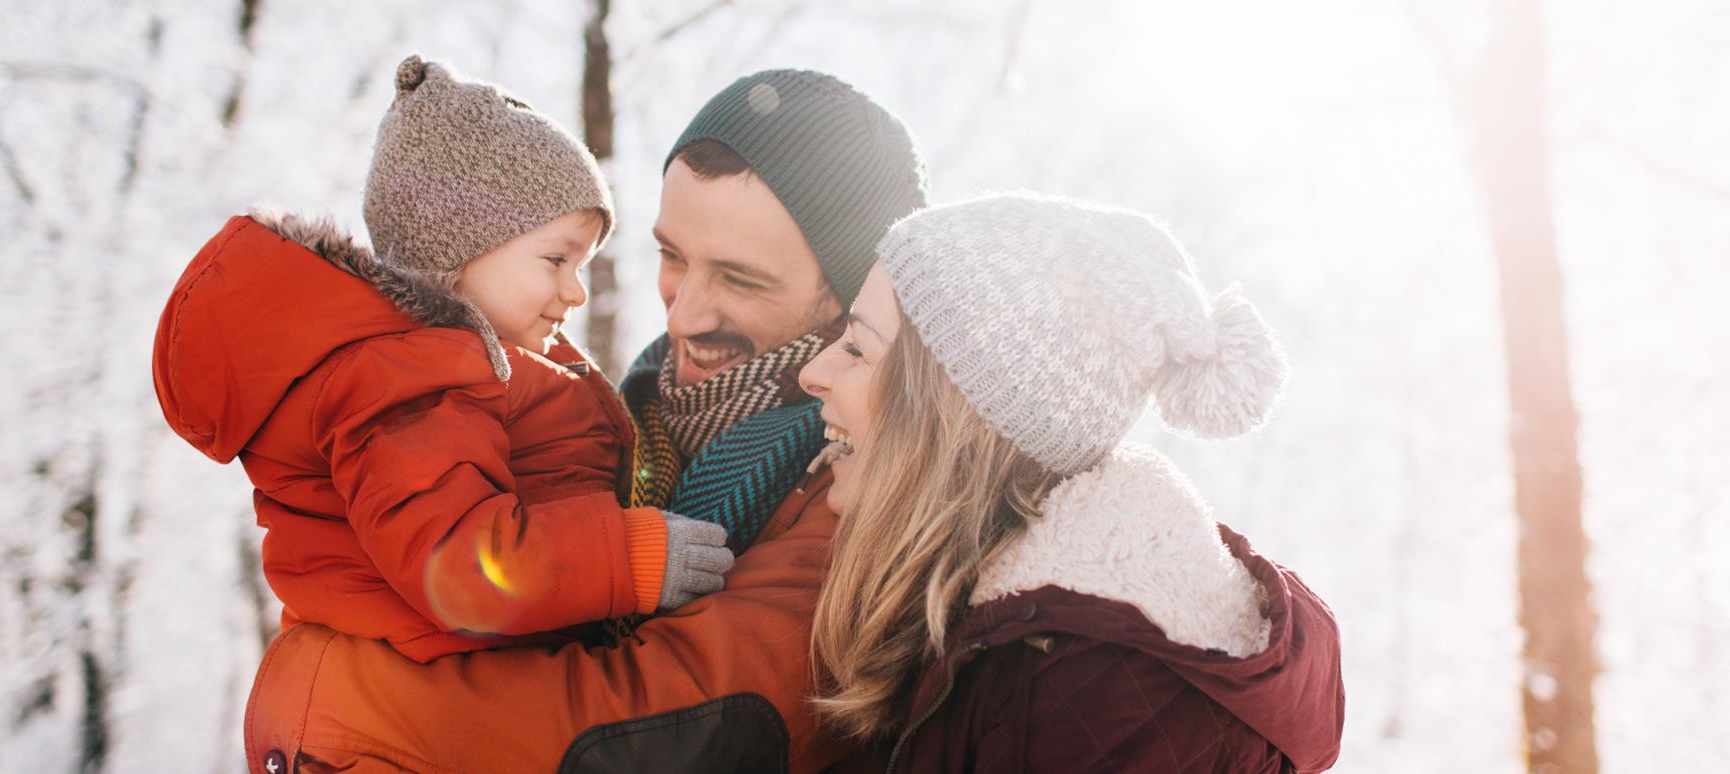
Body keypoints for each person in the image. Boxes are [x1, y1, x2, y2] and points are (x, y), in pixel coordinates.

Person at [235, 69, 930, 772]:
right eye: (671, 256)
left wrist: (331, 693)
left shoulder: (861, 483)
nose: (684, 313)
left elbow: (678, 734)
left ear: (850, 299)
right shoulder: (630, 419)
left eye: (741, 279)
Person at [154, 55, 736, 666]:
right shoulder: (407, 385)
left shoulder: (470, 365)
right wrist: (629, 556)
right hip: (436, 690)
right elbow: (458, 562)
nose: (577, 292)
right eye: (556, 261)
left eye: (583, 267)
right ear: (460, 249)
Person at [799, 194, 1345, 772]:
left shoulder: (1100, 701)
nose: (814, 373)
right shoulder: (986, 628)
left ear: (954, 417)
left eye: (857, 348)